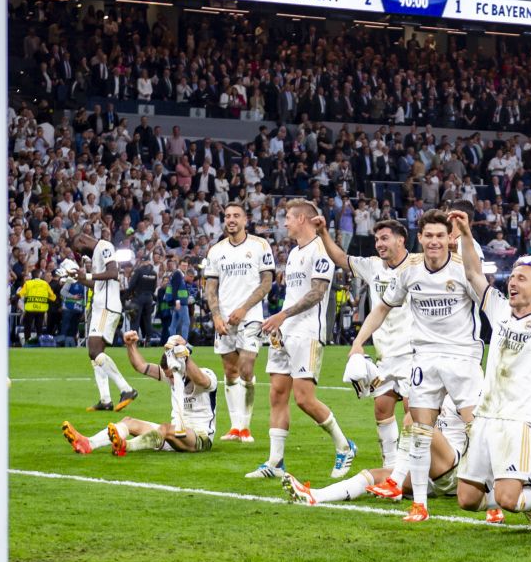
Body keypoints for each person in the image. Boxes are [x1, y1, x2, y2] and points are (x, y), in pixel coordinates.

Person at [349, 210, 483, 523]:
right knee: (420, 431)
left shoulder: (463, 268)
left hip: (463, 358)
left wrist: (466, 233)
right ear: (419, 239)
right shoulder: (410, 273)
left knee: (478, 428)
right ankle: (419, 505)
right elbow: (382, 307)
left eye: (441, 235)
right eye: (429, 236)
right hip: (424, 359)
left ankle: (489, 501)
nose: (434, 241)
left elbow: (483, 286)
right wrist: (358, 342)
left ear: (449, 238)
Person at [453, 214, 531, 535]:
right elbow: (471, 272)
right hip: (484, 417)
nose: (513, 281)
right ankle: (528, 501)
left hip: (516, 421)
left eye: (522, 278)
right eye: (514, 276)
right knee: (467, 499)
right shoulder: (499, 309)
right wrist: (466, 233)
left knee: (508, 498)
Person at [249, 199, 355, 480]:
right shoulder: (295, 252)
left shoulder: (320, 250)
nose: (284, 223)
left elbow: (317, 293)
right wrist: (278, 322)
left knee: (304, 399)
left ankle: (345, 446)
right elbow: (295, 294)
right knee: (276, 394)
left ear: (303, 219)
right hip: (283, 332)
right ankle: (275, 461)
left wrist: (281, 316)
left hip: (307, 332)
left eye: (288, 218)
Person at [315, 215, 412, 467]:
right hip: (386, 355)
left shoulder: (417, 265)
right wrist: (324, 232)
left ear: (401, 239)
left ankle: (414, 468)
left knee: (415, 415)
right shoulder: (372, 266)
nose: (379, 244)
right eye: (377, 239)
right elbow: (340, 259)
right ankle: (390, 466)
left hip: (414, 353)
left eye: (384, 238)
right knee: (382, 409)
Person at [283, 397, 469, 509]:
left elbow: (481, 432)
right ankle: (315, 495)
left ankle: (395, 483)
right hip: (429, 468)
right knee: (375, 474)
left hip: (452, 466)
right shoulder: (434, 383)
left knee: (416, 418)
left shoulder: (465, 387)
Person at [62, 330, 217, 455]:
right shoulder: (172, 375)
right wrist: (131, 346)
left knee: (166, 428)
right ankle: (89, 443)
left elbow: (201, 380)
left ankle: (126, 446)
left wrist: (184, 355)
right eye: (167, 375)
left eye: (171, 375)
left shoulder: (207, 375)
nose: (170, 379)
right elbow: (141, 366)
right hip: (172, 436)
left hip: (200, 438)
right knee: (128, 422)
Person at [203, 203, 273, 443]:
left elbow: (266, 283)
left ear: (246, 220)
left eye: (236, 216)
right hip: (224, 319)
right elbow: (210, 287)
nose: (231, 220)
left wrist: (244, 309)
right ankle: (235, 427)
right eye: (227, 216)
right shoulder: (215, 251)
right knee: (230, 372)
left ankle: (246, 426)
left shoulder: (260, 246)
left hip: (251, 317)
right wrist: (216, 316)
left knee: (246, 367)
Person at [70, 232, 137, 413]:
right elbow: (99, 284)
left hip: (107, 307)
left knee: (94, 350)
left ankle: (126, 389)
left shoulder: (105, 246)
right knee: (95, 355)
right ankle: (105, 399)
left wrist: (89, 276)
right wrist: (82, 279)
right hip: (101, 306)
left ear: (82, 240)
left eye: (78, 249)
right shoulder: (98, 251)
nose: (81, 254)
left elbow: (113, 273)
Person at [16, 269, 55, 344]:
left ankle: (27, 341)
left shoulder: (28, 283)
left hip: (30, 308)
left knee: (28, 326)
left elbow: (20, 294)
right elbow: (52, 297)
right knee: (39, 327)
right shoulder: (45, 284)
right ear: (39, 275)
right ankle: (40, 341)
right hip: (41, 309)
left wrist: (14, 298)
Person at [125, 256, 158, 341]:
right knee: (147, 320)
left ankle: (134, 340)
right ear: (149, 261)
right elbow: (154, 288)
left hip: (138, 297)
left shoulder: (138, 271)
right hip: (149, 298)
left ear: (142, 261)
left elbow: (131, 285)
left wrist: (125, 297)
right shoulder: (154, 273)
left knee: (135, 319)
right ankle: (148, 340)